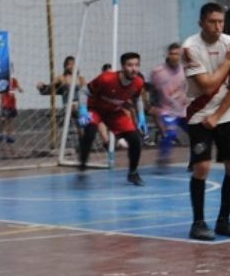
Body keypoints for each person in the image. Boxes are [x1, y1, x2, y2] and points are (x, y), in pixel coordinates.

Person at [182, 2, 230, 240]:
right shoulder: (190, 48)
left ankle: (223, 220)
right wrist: (228, 61)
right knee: (202, 166)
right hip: (199, 113)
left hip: (226, 113)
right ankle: (198, 223)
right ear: (201, 23)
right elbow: (206, 85)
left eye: (221, 22)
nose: (217, 26)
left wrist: (218, 116)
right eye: (212, 22)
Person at [77, 52, 145, 186]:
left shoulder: (138, 82)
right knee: (90, 132)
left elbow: (138, 99)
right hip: (95, 109)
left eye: (137, 65)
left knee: (135, 139)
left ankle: (133, 173)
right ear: (122, 66)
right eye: (130, 65)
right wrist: (82, 109)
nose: (134, 69)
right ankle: (83, 165)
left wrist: (141, 116)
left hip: (114, 112)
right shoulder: (106, 79)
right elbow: (83, 91)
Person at [149, 43, 189, 168]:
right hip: (167, 110)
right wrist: (151, 107)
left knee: (196, 134)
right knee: (170, 133)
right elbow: (150, 90)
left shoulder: (187, 70)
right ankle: (163, 158)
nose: (175, 57)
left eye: (177, 54)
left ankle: (196, 160)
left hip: (184, 110)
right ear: (168, 55)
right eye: (172, 54)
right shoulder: (158, 72)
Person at [0, 63, 24, 144]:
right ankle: (0, 134)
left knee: (10, 120)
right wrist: (0, 102)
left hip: (12, 103)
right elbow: (0, 92)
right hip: (4, 104)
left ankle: (9, 136)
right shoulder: (2, 80)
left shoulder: (14, 80)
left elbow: (19, 88)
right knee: (2, 120)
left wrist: (20, 89)